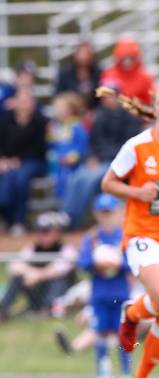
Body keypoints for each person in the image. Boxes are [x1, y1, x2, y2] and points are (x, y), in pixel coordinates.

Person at [101, 83, 159, 378]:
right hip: (141, 233)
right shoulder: (137, 146)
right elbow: (108, 183)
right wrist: (137, 192)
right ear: (154, 109)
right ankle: (131, 313)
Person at [63, 80, 143, 228]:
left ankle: (75, 218)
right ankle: (68, 215)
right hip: (99, 161)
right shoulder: (99, 117)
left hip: (117, 163)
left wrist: (101, 158)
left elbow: (129, 146)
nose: (108, 99)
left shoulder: (130, 118)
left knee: (90, 180)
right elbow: (92, 143)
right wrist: (91, 158)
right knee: (77, 177)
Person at [77, 193, 131, 378]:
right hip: (99, 295)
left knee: (123, 334)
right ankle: (102, 374)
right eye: (103, 213)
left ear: (118, 213)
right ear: (96, 214)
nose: (107, 216)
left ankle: (126, 375)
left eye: (110, 212)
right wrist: (96, 263)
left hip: (121, 294)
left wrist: (117, 263)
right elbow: (82, 262)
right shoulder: (91, 237)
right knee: (99, 333)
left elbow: (133, 264)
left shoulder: (125, 236)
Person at [0, 212, 76, 321]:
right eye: (40, 231)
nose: (41, 235)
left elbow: (61, 268)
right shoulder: (33, 248)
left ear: (57, 232)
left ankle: (48, 309)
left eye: (46, 231)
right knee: (18, 278)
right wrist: (30, 272)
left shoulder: (66, 249)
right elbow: (13, 265)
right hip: (37, 291)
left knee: (60, 279)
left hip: (59, 297)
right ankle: (2, 310)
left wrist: (38, 275)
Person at [0, 89, 48, 234]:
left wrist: (18, 160)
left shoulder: (40, 121)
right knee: (8, 179)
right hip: (9, 162)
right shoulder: (5, 120)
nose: (24, 105)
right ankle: (9, 219)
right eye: (21, 101)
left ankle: (20, 220)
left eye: (27, 101)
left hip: (34, 162)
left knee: (20, 178)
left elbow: (40, 148)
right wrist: (3, 159)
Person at [46, 92, 88, 201]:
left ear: (70, 109)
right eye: (56, 108)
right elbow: (54, 144)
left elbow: (82, 146)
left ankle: (70, 212)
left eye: (61, 108)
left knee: (70, 188)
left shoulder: (77, 126)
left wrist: (71, 158)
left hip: (72, 167)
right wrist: (49, 135)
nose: (58, 111)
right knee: (59, 187)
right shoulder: (58, 126)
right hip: (59, 165)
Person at [100, 38, 155, 105]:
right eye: (124, 58)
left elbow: (150, 102)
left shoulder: (145, 78)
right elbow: (105, 99)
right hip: (114, 112)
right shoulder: (109, 74)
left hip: (137, 112)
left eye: (130, 58)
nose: (127, 62)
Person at [54, 41, 102, 108]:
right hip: (71, 109)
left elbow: (101, 97)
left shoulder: (98, 73)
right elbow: (58, 94)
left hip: (94, 110)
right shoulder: (65, 73)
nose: (84, 57)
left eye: (87, 53)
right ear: (75, 54)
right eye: (82, 53)